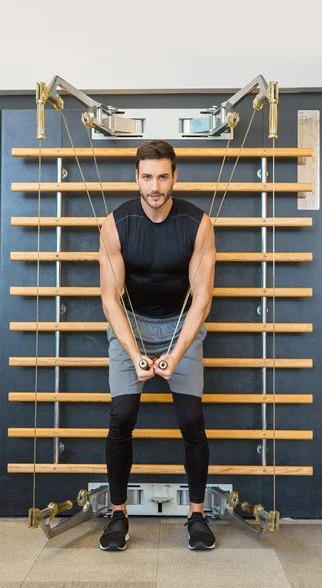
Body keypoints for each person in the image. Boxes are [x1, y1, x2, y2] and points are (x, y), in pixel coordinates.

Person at [98, 140, 216, 551]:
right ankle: (118, 514)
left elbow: (202, 297)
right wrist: (136, 355)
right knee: (122, 415)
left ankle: (196, 514)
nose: (155, 186)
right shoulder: (116, 223)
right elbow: (110, 298)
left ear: (174, 177)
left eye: (163, 176)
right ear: (136, 177)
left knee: (191, 420)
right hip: (131, 328)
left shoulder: (197, 223)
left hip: (180, 328)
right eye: (147, 176)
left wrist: (175, 355)